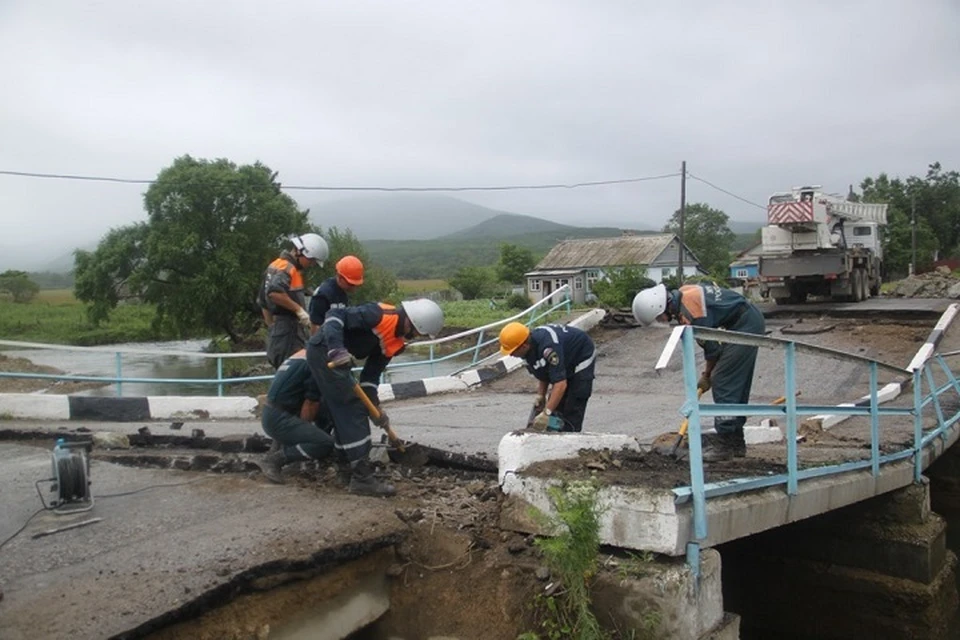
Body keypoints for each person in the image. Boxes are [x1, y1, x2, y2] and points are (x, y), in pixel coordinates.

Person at [306, 298, 444, 497]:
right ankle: (361, 478)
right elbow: (334, 315)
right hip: (324, 351)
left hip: (339, 361)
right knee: (353, 410)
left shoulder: (394, 343)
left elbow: (370, 377)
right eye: (416, 333)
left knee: (351, 410)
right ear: (413, 322)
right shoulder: (376, 315)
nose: (414, 337)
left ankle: (345, 469)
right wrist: (336, 350)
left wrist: (375, 408)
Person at [632, 282, 765, 461]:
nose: (663, 321)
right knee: (736, 381)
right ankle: (736, 442)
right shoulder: (684, 294)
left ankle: (725, 444)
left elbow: (713, 350)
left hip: (745, 324)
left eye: (660, 318)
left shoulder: (690, 312)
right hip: (746, 319)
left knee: (723, 380)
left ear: (660, 307)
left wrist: (707, 375)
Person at [498, 321, 596, 433]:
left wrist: (546, 413)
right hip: (564, 356)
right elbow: (544, 371)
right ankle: (554, 431)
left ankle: (570, 433)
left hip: (581, 355)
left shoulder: (548, 348)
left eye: (513, 351)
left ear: (524, 346)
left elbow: (560, 384)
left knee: (574, 400)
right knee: (555, 406)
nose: (511, 355)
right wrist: (541, 395)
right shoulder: (528, 350)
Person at [258, 349, 335, 484]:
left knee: (325, 409)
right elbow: (311, 403)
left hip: (274, 413)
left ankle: (280, 450)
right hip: (280, 418)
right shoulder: (317, 362)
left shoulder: (303, 355)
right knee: (324, 443)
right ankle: (275, 460)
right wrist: (308, 434)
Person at [258, 233, 329, 369]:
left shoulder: (275, 266)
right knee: (292, 371)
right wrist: (299, 310)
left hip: (280, 332)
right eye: (311, 261)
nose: (311, 264)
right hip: (288, 332)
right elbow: (274, 293)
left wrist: (272, 328)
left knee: (287, 372)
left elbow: (262, 302)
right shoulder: (287, 269)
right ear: (301, 252)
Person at [309, 255, 365, 335]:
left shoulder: (342, 291)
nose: (354, 288)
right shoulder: (323, 295)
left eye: (356, 285)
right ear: (340, 277)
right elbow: (315, 325)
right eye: (351, 284)